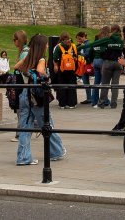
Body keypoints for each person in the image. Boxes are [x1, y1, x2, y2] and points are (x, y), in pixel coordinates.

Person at [14, 33, 66, 166]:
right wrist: (44, 76)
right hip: (37, 96)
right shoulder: (41, 59)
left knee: (26, 127)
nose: (48, 45)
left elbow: (16, 67)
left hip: (25, 94)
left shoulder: (28, 57)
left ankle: (23, 157)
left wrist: (28, 71)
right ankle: (56, 151)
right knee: (47, 124)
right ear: (42, 46)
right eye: (46, 44)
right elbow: (40, 72)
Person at [91, 24, 124, 108]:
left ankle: (101, 102)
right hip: (117, 62)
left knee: (105, 84)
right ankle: (114, 103)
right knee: (115, 85)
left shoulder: (108, 39)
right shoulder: (120, 39)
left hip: (108, 62)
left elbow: (102, 51)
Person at [52, 32, 78, 109]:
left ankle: (62, 104)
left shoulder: (59, 47)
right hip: (72, 69)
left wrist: (55, 66)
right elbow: (76, 57)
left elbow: (55, 58)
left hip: (62, 69)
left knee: (62, 86)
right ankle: (72, 103)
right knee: (72, 86)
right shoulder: (73, 46)